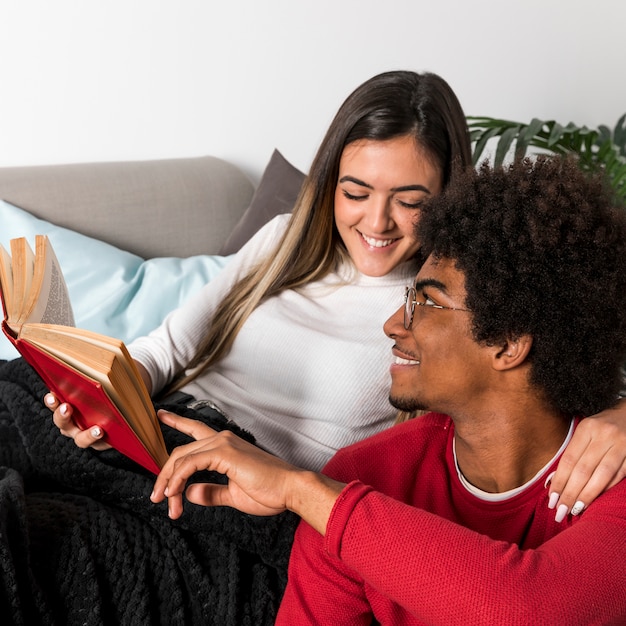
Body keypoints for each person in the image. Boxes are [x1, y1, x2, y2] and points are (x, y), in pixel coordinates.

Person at [49, 70, 626, 516]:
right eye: (355, 191)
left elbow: (563, 380)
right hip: (158, 429)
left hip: (245, 487)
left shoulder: (462, 308)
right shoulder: (283, 241)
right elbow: (166, 350)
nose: (377, 222)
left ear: (451, 198)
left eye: (410, 201)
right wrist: (106, 402)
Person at [152, 156, 626, 624]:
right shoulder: (364, 476)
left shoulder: (612, 472)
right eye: (407, 298)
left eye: (427, 302)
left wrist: (304, 492)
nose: (393, 324)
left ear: (508, 343)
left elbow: (531, 610)